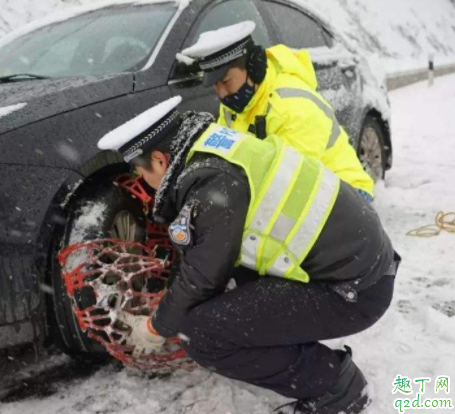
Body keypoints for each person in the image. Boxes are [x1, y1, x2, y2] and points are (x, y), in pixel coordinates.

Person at [97, 96, 400, 414]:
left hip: (355, 291)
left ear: (159, 160)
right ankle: (310, 365)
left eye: (143, 174)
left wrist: (156, 327)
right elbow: (204, 257)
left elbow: (202, 277)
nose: (146, 184)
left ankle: (336, 387)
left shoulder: (213, 185)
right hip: (360, 267)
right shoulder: (215, 148)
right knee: (223, 301)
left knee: (201, 334)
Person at [179, 21, 375, 202]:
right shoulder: (236, 104)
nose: (221, 93)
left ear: (254, 68)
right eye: (215, 85)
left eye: (226, 82)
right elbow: (225, 156)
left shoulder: (291, 106)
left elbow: (291, 182)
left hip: (345, 193)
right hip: (306, 186)